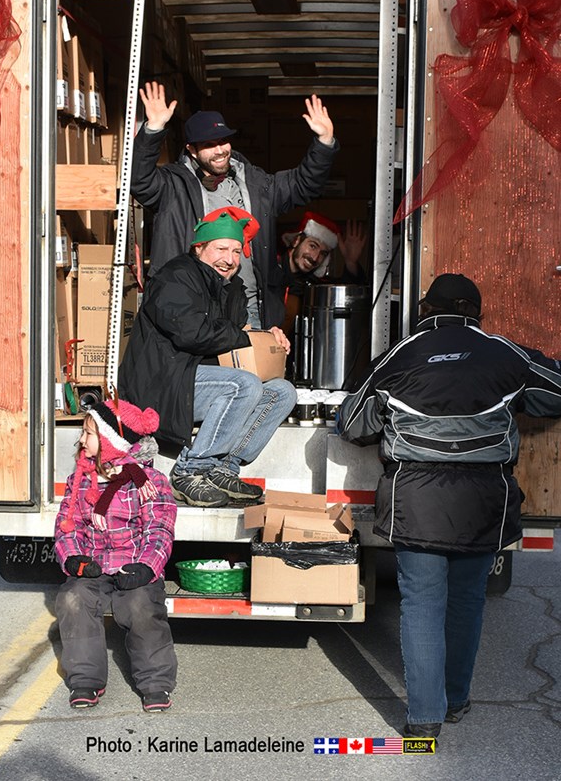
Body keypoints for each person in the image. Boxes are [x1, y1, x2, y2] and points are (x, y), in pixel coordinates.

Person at [336, 273, 561, 743]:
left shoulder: (400, 354)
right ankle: (456, 699)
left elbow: (352, 424)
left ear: (425, 312)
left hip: (415, 499)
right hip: (484, 501)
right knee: (465, 602)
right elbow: (555, 394)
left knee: (421, 604)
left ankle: (424, 717)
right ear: (477, 313)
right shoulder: (505, 353)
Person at [118, 209, 297, 508]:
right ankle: (191, 469)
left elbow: (240, 332)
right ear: (199, 247)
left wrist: (268, 335)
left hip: (198, 380)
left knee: (282, 392)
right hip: (162, 384)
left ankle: (223, 468)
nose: (229, 258)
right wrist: (245, 336)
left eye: (236, 251)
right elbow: (193, 334)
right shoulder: (175, 277)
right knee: (245, 385)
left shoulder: (233, 288)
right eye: (221, 248)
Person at [130, 80, 339, 328]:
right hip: (193, 311)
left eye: (223, 141)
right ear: (192, 150)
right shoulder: (173, 186)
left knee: (249, 368)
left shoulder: (256, 183)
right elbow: (139, 180)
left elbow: (303, 184)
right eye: (209, 144)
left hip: (248, 310)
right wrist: (153, 130)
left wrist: (324, 143)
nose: (220, 150)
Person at [54, 399, 178, 713]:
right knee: (73, 598)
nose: (81, 440)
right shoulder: (81, 482)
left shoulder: (148, 483)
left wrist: (147, 566)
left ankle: (155, 682)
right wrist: (74, 557)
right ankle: (85, 679)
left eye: (88, 434)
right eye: (83, 433)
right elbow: (67, 527)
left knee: (140, 606)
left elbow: (160, 528)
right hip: (95, 564)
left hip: (134, 564)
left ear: (110, 440)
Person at [280, 211, 369, 336]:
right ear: (296, 241)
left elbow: (348, 296)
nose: (315, 258)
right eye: (312, 246)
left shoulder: (314, 285)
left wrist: (351, 262)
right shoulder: (270, 270)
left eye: (323, 253)